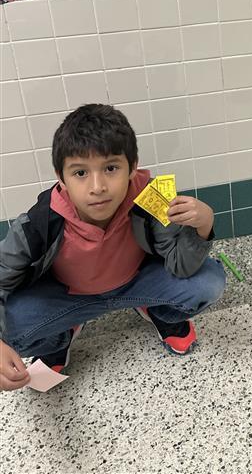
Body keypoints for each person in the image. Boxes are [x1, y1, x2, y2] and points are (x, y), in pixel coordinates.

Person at [0, 104, 226, 392]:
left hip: (136, 284)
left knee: (208, 282)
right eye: (80, 173)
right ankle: (58, 339)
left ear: (132, 167)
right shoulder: (38, 223)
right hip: (68, 298)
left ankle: (159, 313)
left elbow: (181, 266)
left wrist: (204, 225)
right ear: (61, 177)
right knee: (12, 324)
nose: (98, 186)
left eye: (110, 168)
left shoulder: (152, 194)